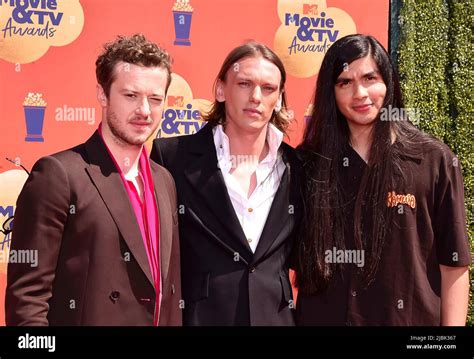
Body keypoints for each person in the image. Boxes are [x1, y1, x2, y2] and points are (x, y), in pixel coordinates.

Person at [294, 34, 471, 326]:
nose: (360, 93)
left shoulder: (433, 159)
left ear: (387, 82)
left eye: (370, 78)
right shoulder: (308, 164)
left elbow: (454, 265)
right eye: (345, 82)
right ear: (331, 92)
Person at [6, 34, 181, 326]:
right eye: (130, 96)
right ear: (102, 94)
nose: (144, 111)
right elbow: (27, 298)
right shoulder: (59, 174)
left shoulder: (164, 181)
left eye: (155, 99)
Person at [151, 42, 302, 326]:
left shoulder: (298, 167)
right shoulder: (172, 158)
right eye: (244, 83)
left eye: (268, 88)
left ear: (279, 98)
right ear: (221, 89)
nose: (256, 97)